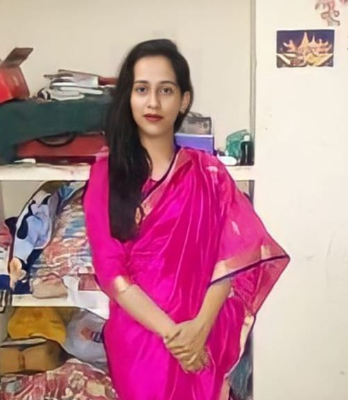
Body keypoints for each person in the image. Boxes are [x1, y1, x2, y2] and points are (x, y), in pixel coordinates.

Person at [83, 38, 290, 400]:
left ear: (184, 100)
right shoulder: (107, 175)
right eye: (142, 89)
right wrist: (175, 337)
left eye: (165, 90)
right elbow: (111, 272)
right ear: (128, 98)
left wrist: (200, 328)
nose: (153, 102)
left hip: (204, 335)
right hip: (142, 342)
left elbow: (232, 256)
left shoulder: (208, 173)